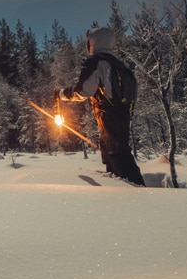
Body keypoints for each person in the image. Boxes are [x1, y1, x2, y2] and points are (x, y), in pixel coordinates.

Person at [56, 26, 145, 186]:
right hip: (123, 114)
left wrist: (62, 94)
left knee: (117, 154)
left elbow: (83, 91)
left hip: (107, 113)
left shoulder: (95, 62)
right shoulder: (120, 65)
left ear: (92, 42)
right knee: (112, 152)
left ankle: (138, 193)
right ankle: (120, 190)